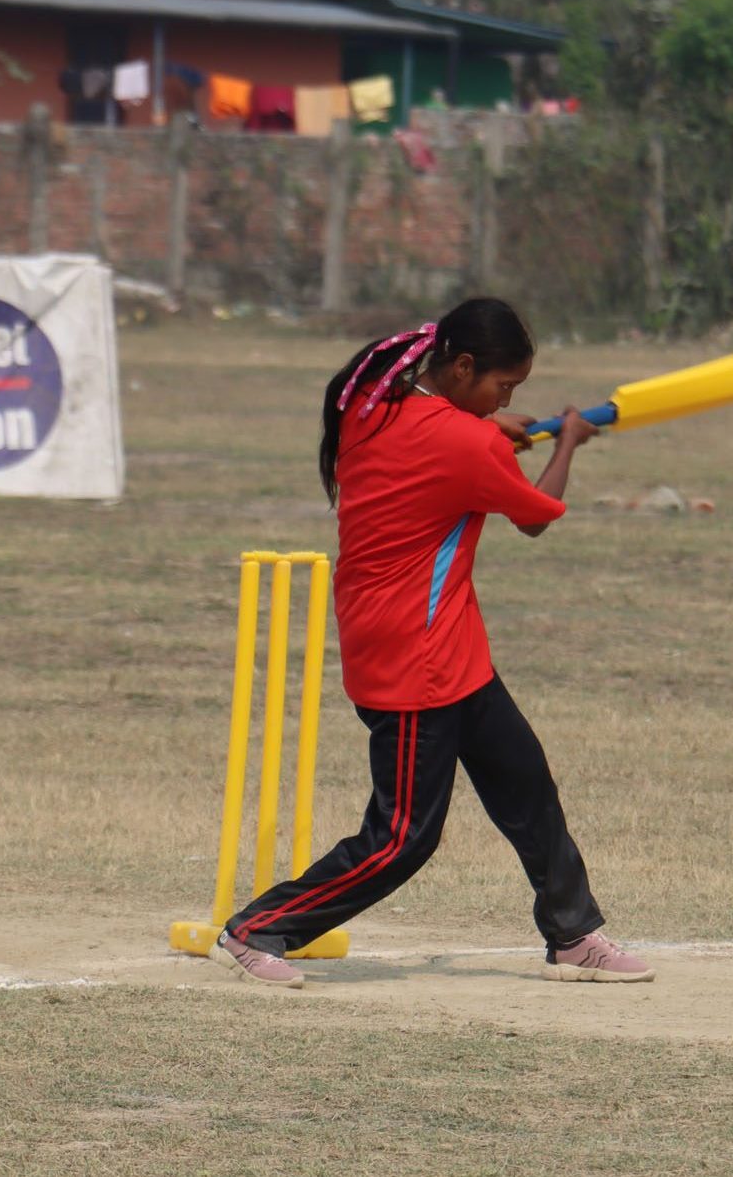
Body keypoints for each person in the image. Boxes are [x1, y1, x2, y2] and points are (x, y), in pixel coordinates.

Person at [211, 298, 654, 987]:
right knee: (400, 840)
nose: (508, 401)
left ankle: (573, 933)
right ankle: (259, 927)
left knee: (525, 784)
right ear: (463, 365)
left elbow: (450, 438)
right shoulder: (466, 444)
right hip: (412, 661)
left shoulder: (372, 404)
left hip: (439, 648)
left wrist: (483, 417)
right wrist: (566, 440)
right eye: (502, 388)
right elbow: (535, 518)